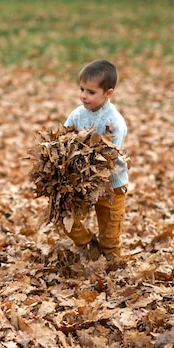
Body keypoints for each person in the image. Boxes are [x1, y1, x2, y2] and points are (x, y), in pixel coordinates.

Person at [62, 59, 128, 261]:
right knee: (66, 219)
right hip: (80, 184)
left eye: (91, 92)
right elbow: (63, 140)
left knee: (110, 236)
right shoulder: (77, 115)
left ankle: (112, 266)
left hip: (111, 187)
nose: (83, 95)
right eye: (82, 89)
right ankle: (89, 246)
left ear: (108, 93)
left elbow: (109, 158)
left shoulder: (114, 122)